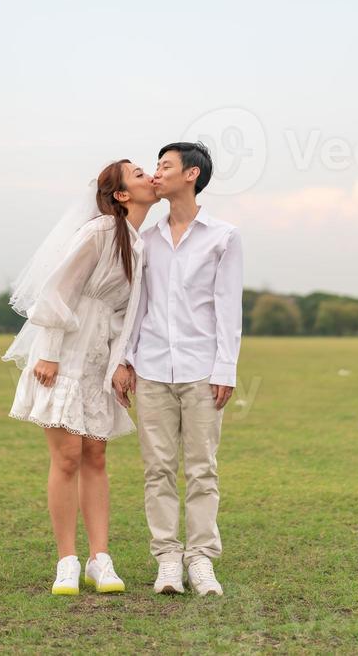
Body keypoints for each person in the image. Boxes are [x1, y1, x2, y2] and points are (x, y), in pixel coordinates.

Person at [2, 160, 157, 596]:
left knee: (97, 455)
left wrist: (123, 363)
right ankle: (67, 560)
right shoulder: (99, 231)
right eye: (139, 172)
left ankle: (99, 560)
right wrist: (48, 352)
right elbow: (58, 289)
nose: (149, 175)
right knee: (67, 455)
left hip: (100, 358)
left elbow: (128, 313)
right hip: (65, 350)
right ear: (121, 194)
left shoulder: (139, 244)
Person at [113, 141, 244, 597]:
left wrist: (225, 367)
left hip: (203, 371)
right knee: (158, 469)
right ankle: (167, 559)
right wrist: (125, 359)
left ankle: (202, 560)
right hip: (150, 368)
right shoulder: (145, 240)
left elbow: (229, 307)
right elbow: (137, 305)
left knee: (203, 468)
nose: (155, 174)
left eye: (165, 167)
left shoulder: (223, 236)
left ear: (191, 174)